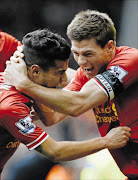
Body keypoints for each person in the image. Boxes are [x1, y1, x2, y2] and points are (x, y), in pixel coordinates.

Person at [4, 10, 138, 180]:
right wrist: (30, 77)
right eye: (76, 53)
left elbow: (76, 105)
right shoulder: (86, 73)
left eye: (88, 54)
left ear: (110, 47)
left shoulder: (129, 60)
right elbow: (52, 116)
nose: (81, 62)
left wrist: (25, 83)